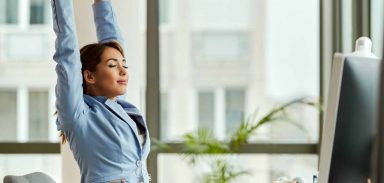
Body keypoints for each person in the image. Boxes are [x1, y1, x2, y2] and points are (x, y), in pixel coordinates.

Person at [50, 0, 150, 182]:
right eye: (113, 65)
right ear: (89, 76)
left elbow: (113, 40)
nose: (123, 70)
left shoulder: (118, 108)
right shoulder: (78, 114)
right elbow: (68, 54)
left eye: (124, 65)